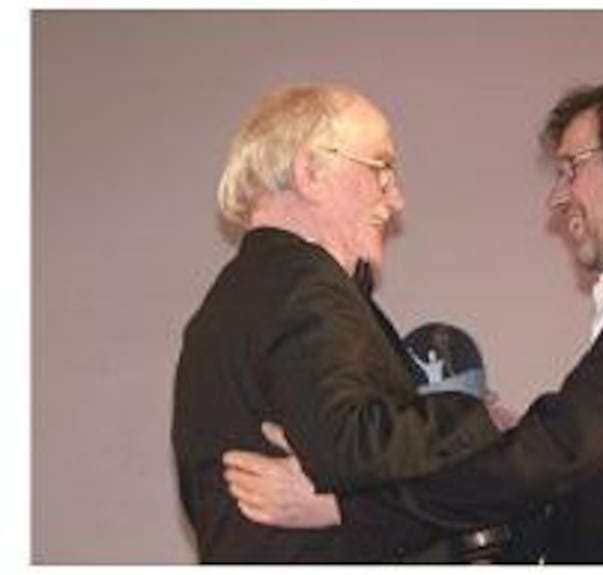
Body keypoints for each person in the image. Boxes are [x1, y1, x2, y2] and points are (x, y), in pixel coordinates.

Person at [222, 71, 603, 563]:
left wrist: (347, 508)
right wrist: (507, 442)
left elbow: (556, 454)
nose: (557, 198)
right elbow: (586, 465)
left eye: (571, 168)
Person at [171, 83, 523, 562]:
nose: (395, 199)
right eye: (381, 168)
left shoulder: (231, 303)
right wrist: (475, 417)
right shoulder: (303, 284)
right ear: (311, 172)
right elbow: (351, 444)